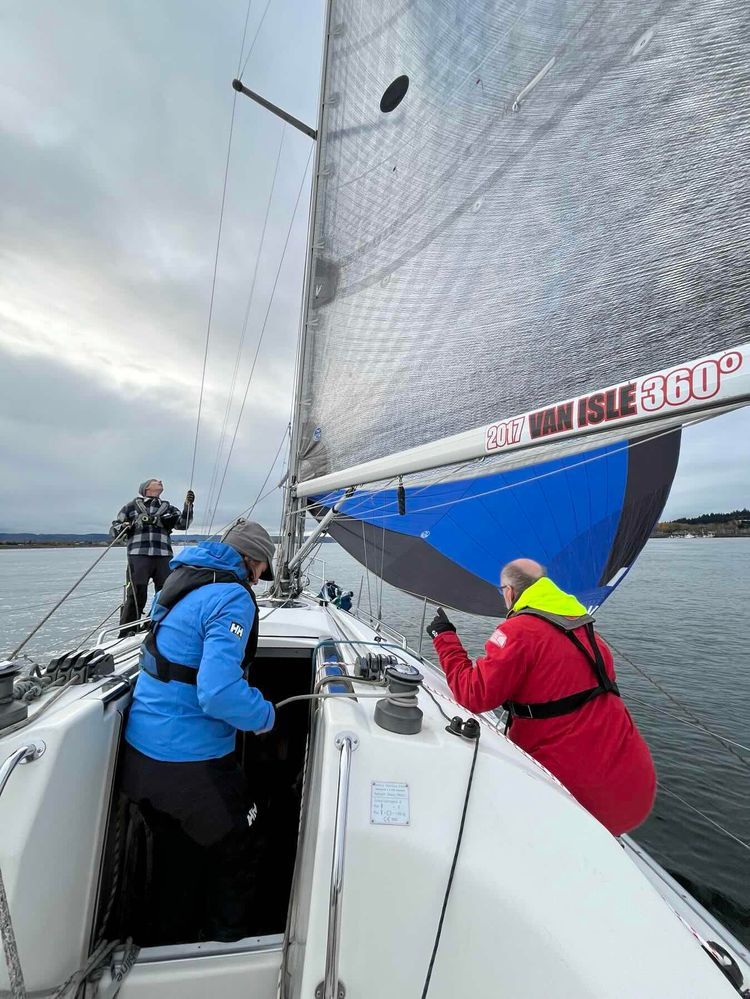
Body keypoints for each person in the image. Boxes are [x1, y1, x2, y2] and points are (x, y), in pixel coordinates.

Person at [119, 520, 276, 943]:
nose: (260, 581)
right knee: (244, 842)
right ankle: (229, 948)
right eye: (262, 571)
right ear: (252, 562)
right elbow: (219, 692)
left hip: (140, 756)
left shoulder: (184, 582)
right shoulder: (232, 596)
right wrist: (265, 716)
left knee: (178, 859)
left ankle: (169, 941)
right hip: (187, 763)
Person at [426, 559, 656, 836]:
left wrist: (444, 637)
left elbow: (473, 694)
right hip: (634, 789)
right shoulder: (583, 626)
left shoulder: (519, 631)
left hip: (577, 800)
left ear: (509, 592)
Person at [111, 479, 194, 630]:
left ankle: (155, 624)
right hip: (138, 555)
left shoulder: (168, 508)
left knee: (167, 592)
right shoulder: (131, 506)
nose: (160, 481)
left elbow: (183, 523)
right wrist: (124, 526)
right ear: (146, 488)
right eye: (156, 481)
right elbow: (115, 528)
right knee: (136, 594)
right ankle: (127, 631)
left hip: (163, 555)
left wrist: (188, 506)